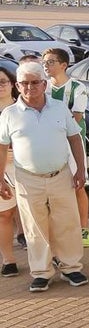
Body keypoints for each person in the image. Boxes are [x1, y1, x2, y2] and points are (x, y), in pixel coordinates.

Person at [0, 62, 87, 293]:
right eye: (25, 83)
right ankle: (41, 272)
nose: (30, 88)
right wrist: (0, 179)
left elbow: (75, 139)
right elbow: (1, 148)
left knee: (66, 222)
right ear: (18, 86)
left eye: (35, 82)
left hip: (61, 174)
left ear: (44, 84)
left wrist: (81, 170)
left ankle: (71, 267)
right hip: (27, 179)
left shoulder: (59, 108)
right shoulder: (9, 114)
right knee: (34, 227)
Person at [43, 48, 89, 248]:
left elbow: (77, 117)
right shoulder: (43, 87)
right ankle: (59, 232)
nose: (46, 66)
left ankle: (84, 230)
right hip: (48, 145)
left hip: (71, 143)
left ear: (63, 65)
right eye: (44, 62)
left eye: (51, 62)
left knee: (78, 187)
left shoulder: (77, 87)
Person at [0, 68, 20, 277]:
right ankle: (8, 259)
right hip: (2, 170)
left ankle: (44, 256)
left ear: (12, 83)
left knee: (36, 214)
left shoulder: (23, 108)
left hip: (27, 168)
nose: (0, 86)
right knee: (5, 215)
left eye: (3, 81)